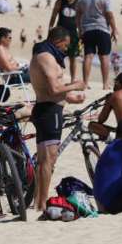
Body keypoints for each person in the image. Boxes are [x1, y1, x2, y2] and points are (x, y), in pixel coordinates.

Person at [29, 26, 86, 211]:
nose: (65, 50)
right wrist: (74, 85)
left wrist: (72, 98)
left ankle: (38, 200)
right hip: (48, 112)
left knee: (44, 160)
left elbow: (51, 90)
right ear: (58, 41)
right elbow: (54, 90)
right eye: (65, 46)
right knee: (48, 160)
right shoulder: (46, 57)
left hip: (48, 108)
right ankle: (42, 204)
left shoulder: (45, 55)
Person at [76, 0, 118, 90]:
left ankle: (85, 83)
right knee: (104, 57)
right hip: (102, 29)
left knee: (88, 56)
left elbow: (78, 14)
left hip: (87, 30)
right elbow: (109, 15)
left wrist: (79, 30)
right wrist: (114, 29)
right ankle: (105, 84)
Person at [48, 0, 80, 82]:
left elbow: (81, 18)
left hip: (73, 34)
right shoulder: (59, 2)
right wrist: (50, 29)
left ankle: (73, 78)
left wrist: (82, 33)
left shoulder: (79, 3)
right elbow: (53, 16)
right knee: (58, 57)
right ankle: (57, 77)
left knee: (73, 57)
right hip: (60, 34)